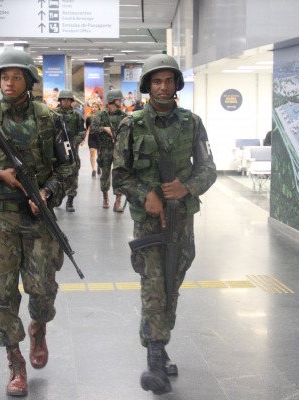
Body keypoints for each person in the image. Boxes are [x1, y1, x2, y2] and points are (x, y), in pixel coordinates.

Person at [0, 49, 73, 397]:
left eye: (16, 76)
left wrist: (48, 193)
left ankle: (38, 327)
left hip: (38, 222)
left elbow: (67, 168)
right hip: (0, 222)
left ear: (29, 82)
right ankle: (15, 361)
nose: (9, 82)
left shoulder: (50, 120)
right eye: (4, 76)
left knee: (43, 292)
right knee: (3, 298)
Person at [112, 54, 217, 395]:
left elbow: (208, 168)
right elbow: (119, 175)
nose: (162, 86)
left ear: (176, 85)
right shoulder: (131, 125)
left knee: (171, 287)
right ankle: (155, 360)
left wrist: (187, 187)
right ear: (147, 86)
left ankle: (160, 342)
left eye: (168, 80)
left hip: (181, 220)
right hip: (148, 225)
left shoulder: (192, 123)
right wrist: (147, 196)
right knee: (154, 288)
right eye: (156, 81)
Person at [91, 89, 128, 211]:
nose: (121, 101)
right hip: (105, 149)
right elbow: (93, 128)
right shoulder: (101, 115)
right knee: (105, 174)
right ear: (113, 100)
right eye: (119, 99)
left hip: (119, 150)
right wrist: (105, 129)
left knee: (119, 175)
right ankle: (105, 197)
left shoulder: (124, 116)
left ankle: (118, 202)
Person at [55, 89, 86, 212]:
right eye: (63, 99)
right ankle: (57, 197)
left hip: (72, 150)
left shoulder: (77, 115)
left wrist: (75, 142)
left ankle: (70, 201)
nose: (66, 101)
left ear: (71, 101)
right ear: (60, 100)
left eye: (68, 99)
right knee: (57, 174)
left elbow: (82, 131)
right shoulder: (54, 114)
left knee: (72, 175)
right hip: (57, 149)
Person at [83, 102, 101, 177]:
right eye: (92, 107)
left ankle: (99, 166)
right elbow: (86, 129)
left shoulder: (102, 116)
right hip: (92, 137)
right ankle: (93, 169)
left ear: (99, 108)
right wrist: (83, 139)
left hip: (100, 137)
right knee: (92, 152)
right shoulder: (89, 117)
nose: (94, 108)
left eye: (95, 107)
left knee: (99, 154)